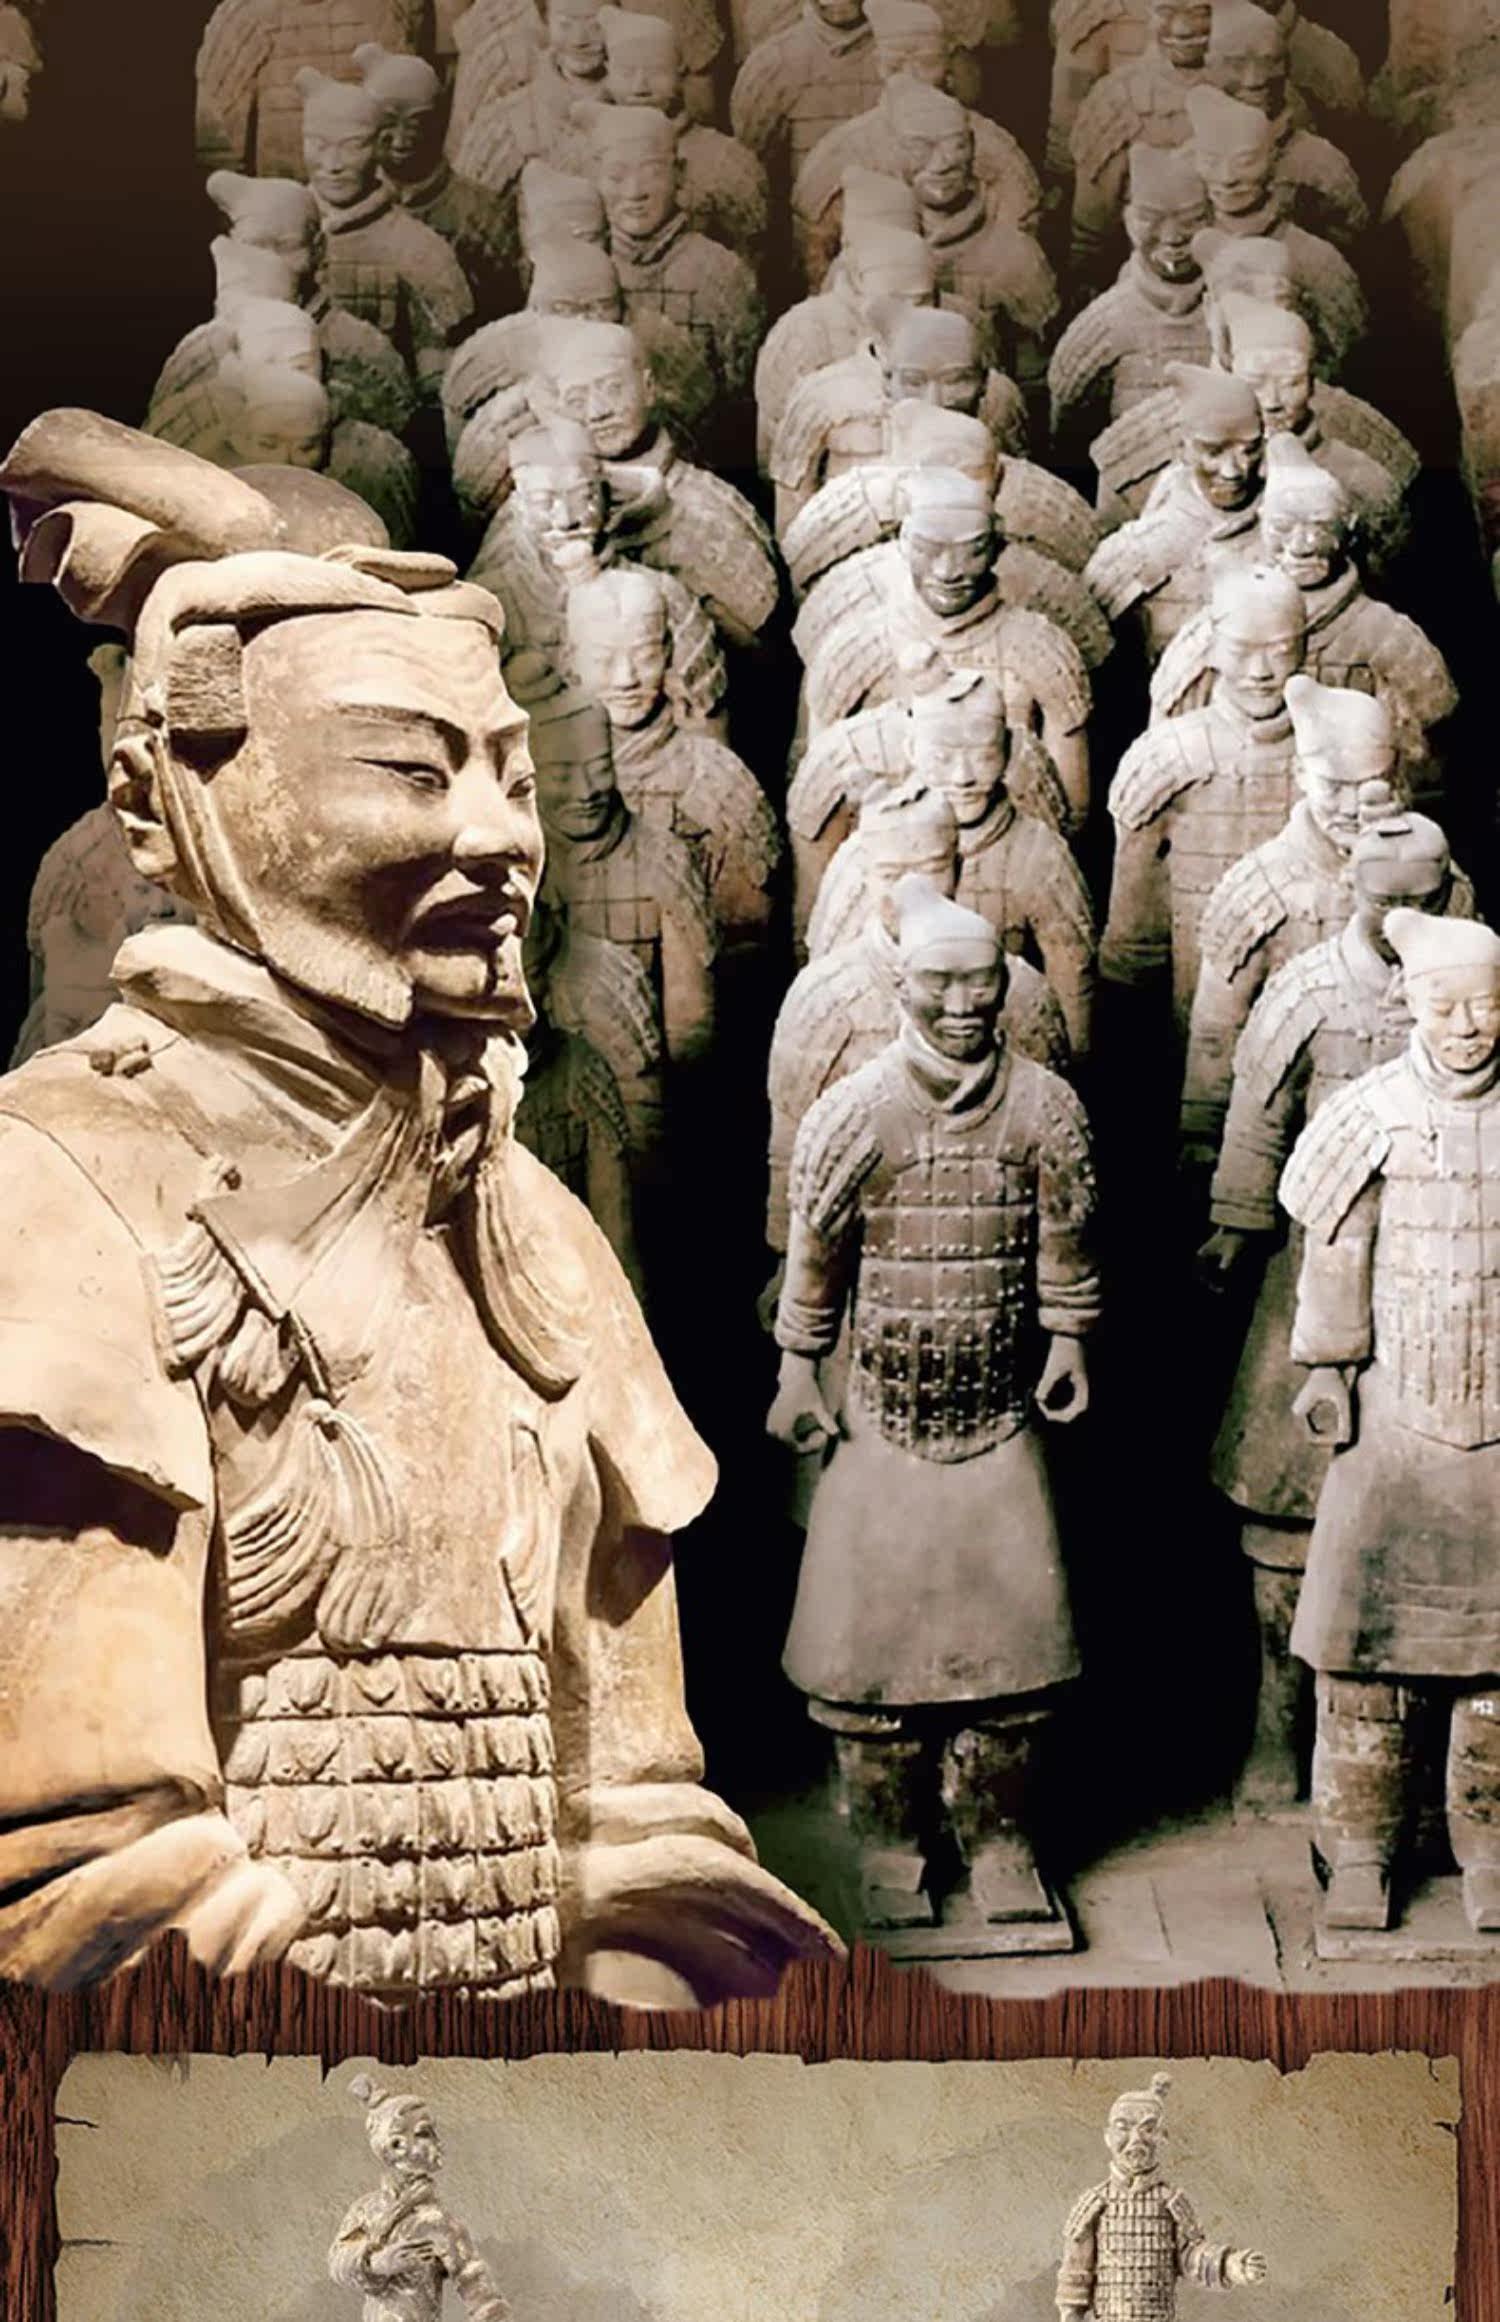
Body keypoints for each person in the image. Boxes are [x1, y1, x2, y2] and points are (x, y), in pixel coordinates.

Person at [0, 407, 834, 2004]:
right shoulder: (57, 1194)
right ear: (162, 803)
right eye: (409, 769)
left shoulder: (530, 1225)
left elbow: (639, 1811)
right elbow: (84, 1876)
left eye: (509, 773)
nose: (498, 834)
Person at [769, 879, 1099, 1943]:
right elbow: (814, 1262)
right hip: (879, 1414)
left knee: (1016, 1668)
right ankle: (892, 1847)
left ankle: (1002, 1846)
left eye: (982, 981)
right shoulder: (855, 1113)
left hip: (998, 1415)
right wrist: (796, 1372)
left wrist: (1068, 1339)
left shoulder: (1045, 1107)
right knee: (867, 1664)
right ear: (900, 986)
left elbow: (1066, 1241)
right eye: (941, 983)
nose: (964, 1004)